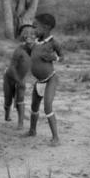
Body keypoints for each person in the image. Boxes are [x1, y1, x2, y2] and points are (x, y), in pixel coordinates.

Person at [26, 13, 64, 145]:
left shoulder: (53, 43)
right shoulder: (36, 41)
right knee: (34, 107)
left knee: (47, 106)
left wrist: (54, 58)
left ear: (46, 27)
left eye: (36, 27)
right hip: (39, 81)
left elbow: (62, 56)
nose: (34, 30)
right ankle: (32, 130)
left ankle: (56, 138)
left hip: (50, 79)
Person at [3, 24, 35, 129]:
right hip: (10, 77)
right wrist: (17, 80)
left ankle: (20, 123)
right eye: (27, 36)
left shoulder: (36, 51)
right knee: (8, 100)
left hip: (21, 78)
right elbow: (12, 67)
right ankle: (7, 114)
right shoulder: (19, 50)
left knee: (20, 99)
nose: (30, 39)